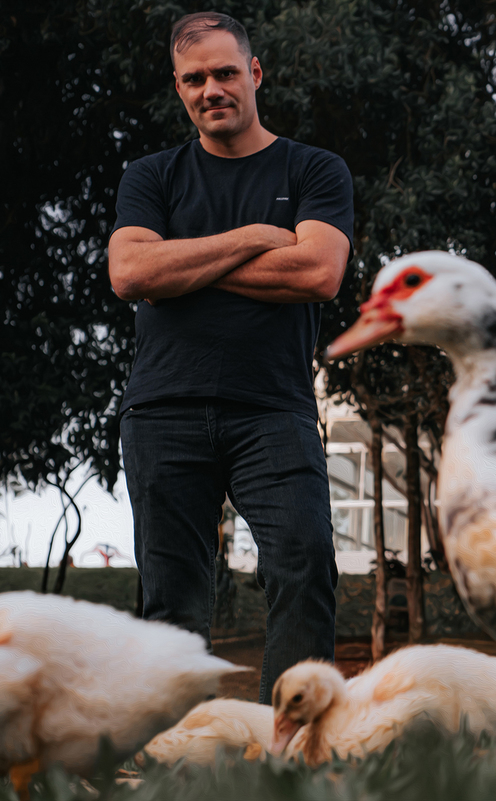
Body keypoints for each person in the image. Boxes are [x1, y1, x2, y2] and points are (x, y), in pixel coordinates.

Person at [107, 12, 352, 702]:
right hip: (162, 410)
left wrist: (177, 267)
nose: (210, 88)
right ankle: (177, 750)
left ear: (254, 73)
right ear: (179, 88)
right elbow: (129, 275)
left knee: (305, 567)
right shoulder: (151, 176)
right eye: (194, 78)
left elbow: (317, 274)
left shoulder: (313, 169)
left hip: (273, 409)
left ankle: (292, 749)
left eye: (223, 72)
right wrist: (252, 236)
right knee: (172, 597)